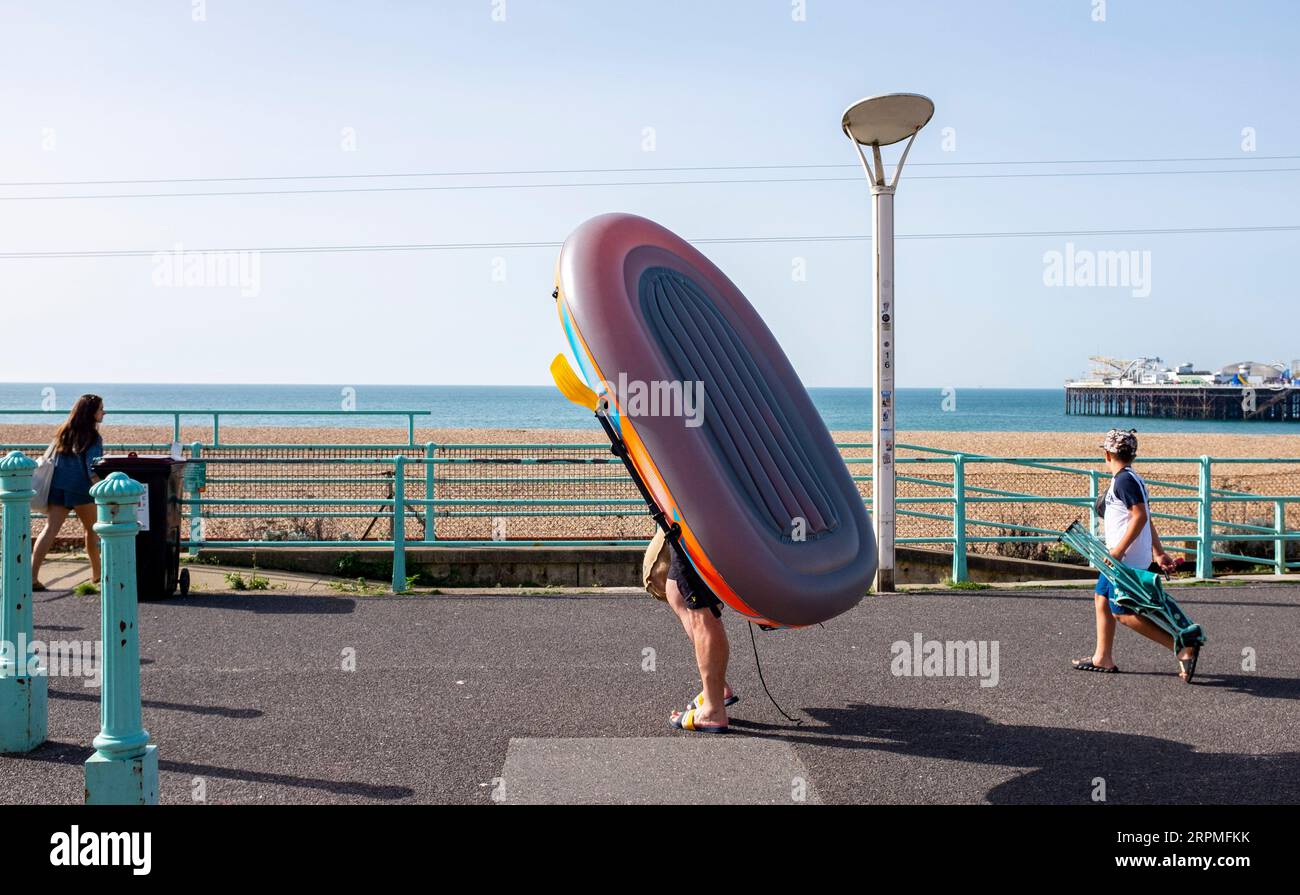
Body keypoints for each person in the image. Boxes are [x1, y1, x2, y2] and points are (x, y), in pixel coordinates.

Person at [1072, 428, 1200, 682]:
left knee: (1123, 613)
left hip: (1124, 561)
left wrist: (1118, 551)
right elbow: (1143, 516)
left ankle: (1181, 647)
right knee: (1101, 598)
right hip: (1121, 559)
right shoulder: (1129, 477)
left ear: (1107, 454)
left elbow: (1140, 516)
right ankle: (1103, 658)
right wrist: (1159, 552)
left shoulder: (1124, 481)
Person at [31, 394, 105, 590]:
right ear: (91, 413)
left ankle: (31, 577)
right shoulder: (93, 437)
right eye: (100, 409)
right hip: (81, 490)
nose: (103, 412)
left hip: (58, 486)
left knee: (50, 530)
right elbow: (92, 469)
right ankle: (97, 575)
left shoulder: (64, 431)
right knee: (92, 530)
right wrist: (104, 491)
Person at [664, 545, 736, 733]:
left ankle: (713, 711)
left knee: (702, 611)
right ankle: (717, 688)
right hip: (686, 526)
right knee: (676, 591)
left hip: (697, 526)